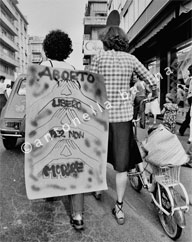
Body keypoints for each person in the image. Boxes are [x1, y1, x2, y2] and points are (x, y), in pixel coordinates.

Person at [90, 25, 157, 225]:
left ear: (106, 41)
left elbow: (89, 87)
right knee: (122, 167)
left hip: (101, 117)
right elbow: (152, 82)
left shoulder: (98, 58)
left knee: (99, 156)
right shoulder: (131, 59)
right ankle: (119, 207)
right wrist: (151, 95)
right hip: (122, 120)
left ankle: (98, 188)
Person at [41, 29, 84, 230]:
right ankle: (77, 216)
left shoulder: (44, 67)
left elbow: (39, 98)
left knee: (51, 158)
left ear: (47, 48)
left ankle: (51, 191)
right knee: (75, 166)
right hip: (73, 121)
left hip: (52, 122)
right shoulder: (72, 68)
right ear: (67, 49)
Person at [179, 64, 192, 136]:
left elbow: (188, 89)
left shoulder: (190, 79)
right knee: (190, 115)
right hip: (191, 97)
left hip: (190, 97)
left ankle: (182, 130)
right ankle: (182, 130)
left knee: (189, 115)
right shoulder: (190, 79)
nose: (188, 72)